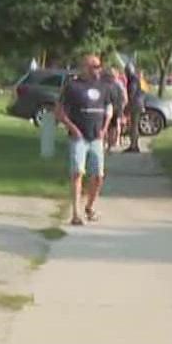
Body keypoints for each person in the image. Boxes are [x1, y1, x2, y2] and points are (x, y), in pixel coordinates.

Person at [54, 55, 120, 226]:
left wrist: (105, 129)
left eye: (99, 66)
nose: (98, 70)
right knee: (77, 173)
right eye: (94, 66)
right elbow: (59, 111)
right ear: (84, 67)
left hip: (96, 137)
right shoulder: (72, 86)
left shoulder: (104, 87)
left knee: (98, 176)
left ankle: (89, 207)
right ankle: (76, 213)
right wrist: (72, 128)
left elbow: (109, 110)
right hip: (79, 138)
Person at [122, 58, 146, 154]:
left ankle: (134, 146)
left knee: (134, 126)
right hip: (139, 103)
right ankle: (133, 144)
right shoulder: (138, 79)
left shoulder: (133, 80)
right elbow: (144, 91)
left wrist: (127, 106)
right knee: (134, 125)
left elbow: (131, 93)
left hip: (135, 104)